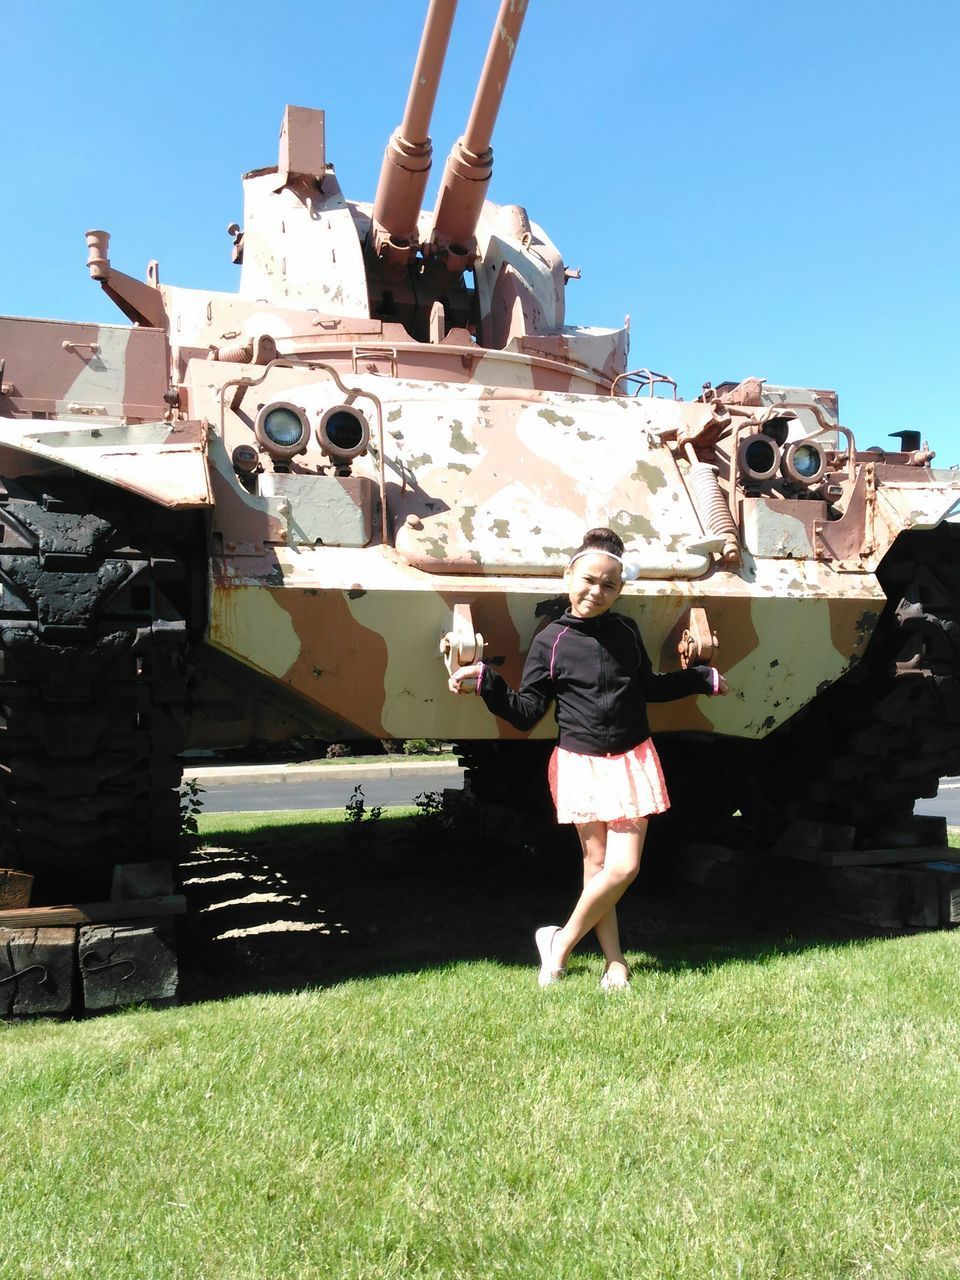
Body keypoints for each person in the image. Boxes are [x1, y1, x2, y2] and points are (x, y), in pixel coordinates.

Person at [448, 527, 729, 990]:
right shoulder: (550, 641)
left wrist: (701, 678)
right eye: (588, 580)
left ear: (620, 590)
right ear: (567, 576)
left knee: (624, 868)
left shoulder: (626, 630)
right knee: (598, 868)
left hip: (632, 759)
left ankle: (558, 943)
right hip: (580, 762)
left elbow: (650, 687)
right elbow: (526, 713)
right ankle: (615, 963)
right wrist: (487, 681)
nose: (595, 592)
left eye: (609, 585)